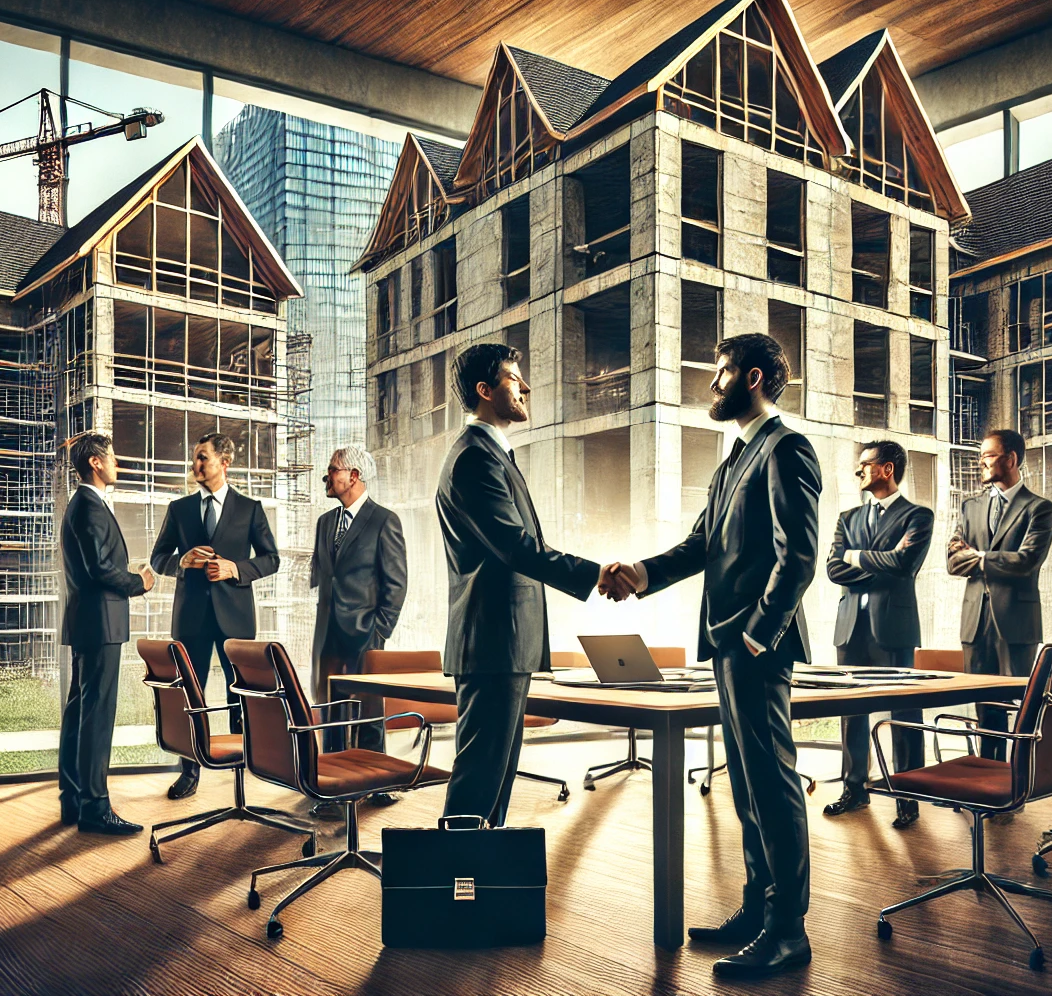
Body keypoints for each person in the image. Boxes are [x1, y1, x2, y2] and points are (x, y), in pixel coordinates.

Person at [602, 332, 820, 979]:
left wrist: (759, 632)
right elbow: (703, 545)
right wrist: (640, 572)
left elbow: (799, 555)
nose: (711, 385)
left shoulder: (787, 449)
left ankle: (788, 931)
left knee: (773, 784)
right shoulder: (735, 461)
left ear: (753, 377)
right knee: (748, 786)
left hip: (754, 645)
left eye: (720, 372)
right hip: (729, 644)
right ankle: (757, 909)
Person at [436, 343, 602, 830]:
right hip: (492, 644)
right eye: (513, 377)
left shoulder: (490, 455)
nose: (525, 386)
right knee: (478, 786)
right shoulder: (475, 460)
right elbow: (517, 547)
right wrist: (594, 574)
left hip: (503, 645)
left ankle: (479, 892)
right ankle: (454, 888)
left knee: (493, 786)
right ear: (484, 391)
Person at [148, 432, 281, 800]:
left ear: (225, 463)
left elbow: (271, 559)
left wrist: (234, 569)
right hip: (191, 619)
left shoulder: (250, 508)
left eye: (202, 458)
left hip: (235, 619)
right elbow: (159, 558)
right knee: (191, 695)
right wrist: (182, 562)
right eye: (195, 459)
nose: (195, 466)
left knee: (241, 694)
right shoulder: (180, 510)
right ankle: (189, 770)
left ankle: (246, 767)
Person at [822, 439, 932, 829]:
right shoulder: (846, 518)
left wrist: (857, 557)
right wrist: (875, 561)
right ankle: (855, 789)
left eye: (865, 465)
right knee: (851, 714)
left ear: (887, 469)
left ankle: (909, 795)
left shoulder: (918, 516)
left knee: (904, 714)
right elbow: (834, 569)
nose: (858, 471)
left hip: (894, 628)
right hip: (850, 628)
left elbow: (904, 564)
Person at [58, 431, 156, 835]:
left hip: (89, 623)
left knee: (79, 713)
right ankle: (95, 808)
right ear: (95, 463)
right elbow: (100, 569)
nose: (117, 463)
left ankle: (74, 800)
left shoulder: (81, 505)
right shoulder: (90, 506)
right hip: (100, 624)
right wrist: (139, 583)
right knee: (96, 717)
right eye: (112, 457)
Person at [945, 429, 1052, 760]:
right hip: (975, 622)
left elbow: (1027, 560)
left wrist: (977, 557)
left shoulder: (1039, 508)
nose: (981, 462)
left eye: (988, 456)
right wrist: (982, 560)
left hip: (1016, 623)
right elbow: (952, 561)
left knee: (1022, 708)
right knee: (985, 709)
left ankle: (1018, 782)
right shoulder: (970, 506)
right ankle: (987, 781)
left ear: (1011, 459)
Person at [310, 444, 407, 783]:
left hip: (366, 633)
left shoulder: (384, 521)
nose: (326, 476)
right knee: (331, 710)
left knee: (369, 711)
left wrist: (378, 631)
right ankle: (335, 781)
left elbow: (396, 584)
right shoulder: (325, 523)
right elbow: (324, 575)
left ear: (354, 476)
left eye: (333, 470)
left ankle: (376, 780)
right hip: (328, 634)